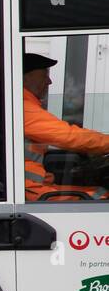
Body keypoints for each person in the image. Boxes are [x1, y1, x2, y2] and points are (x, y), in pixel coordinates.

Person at [23, 52, 109, 202]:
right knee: (102, 197)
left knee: (99, 191)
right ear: (24, 77)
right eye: (44, 75)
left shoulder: (23, 105)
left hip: (30, 185)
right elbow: (69, 136)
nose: (49, 81)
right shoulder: (22, 108)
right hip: (30, 191)